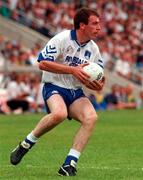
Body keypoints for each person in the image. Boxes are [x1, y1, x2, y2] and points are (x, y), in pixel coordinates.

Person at [10, 7, 105, 176]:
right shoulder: (62, 39)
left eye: (99, 23)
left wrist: (97, 85)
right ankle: (26, 144)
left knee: (91, 117)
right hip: (53, 86)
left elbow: (98, 77)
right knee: (59, 113)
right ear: (82, 26)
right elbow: (42, 63)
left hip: (75, 91)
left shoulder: (94, 49)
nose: (99, 27)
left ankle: (69, 164)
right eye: (95, 24)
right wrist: (72, 70)